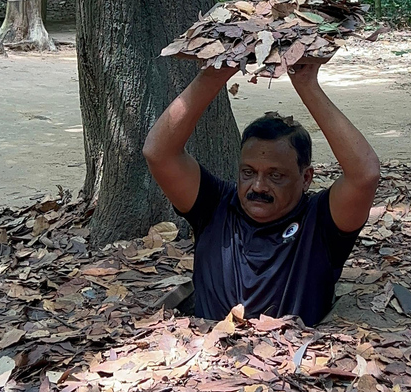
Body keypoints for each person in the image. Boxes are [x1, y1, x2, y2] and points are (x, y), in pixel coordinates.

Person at [143, 61, 380, 326]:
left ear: (306, 178)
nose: (258, 186)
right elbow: (158, 153)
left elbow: (365, 175)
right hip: (208, 359)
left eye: (275, 176)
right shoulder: (214, 205)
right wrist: (213, 76)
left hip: (292, 362)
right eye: (248, 172)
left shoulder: (320, 223)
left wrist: (306, 84)